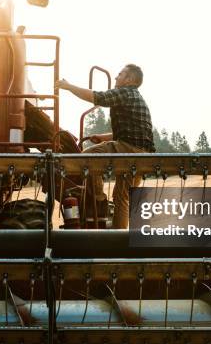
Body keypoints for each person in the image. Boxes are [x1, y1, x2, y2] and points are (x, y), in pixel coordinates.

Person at [57, 64, 155, 228]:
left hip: (129, 151)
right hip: (143, 155)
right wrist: (104, 138)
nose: (116, 77)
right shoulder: (137, 97)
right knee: (121, 197)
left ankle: (99, 199)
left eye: (120, 74)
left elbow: (98, 97)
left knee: (87, 157)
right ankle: (118, 242)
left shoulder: (125, 93)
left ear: (129, 80)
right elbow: (135, 132)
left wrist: (68, 87)